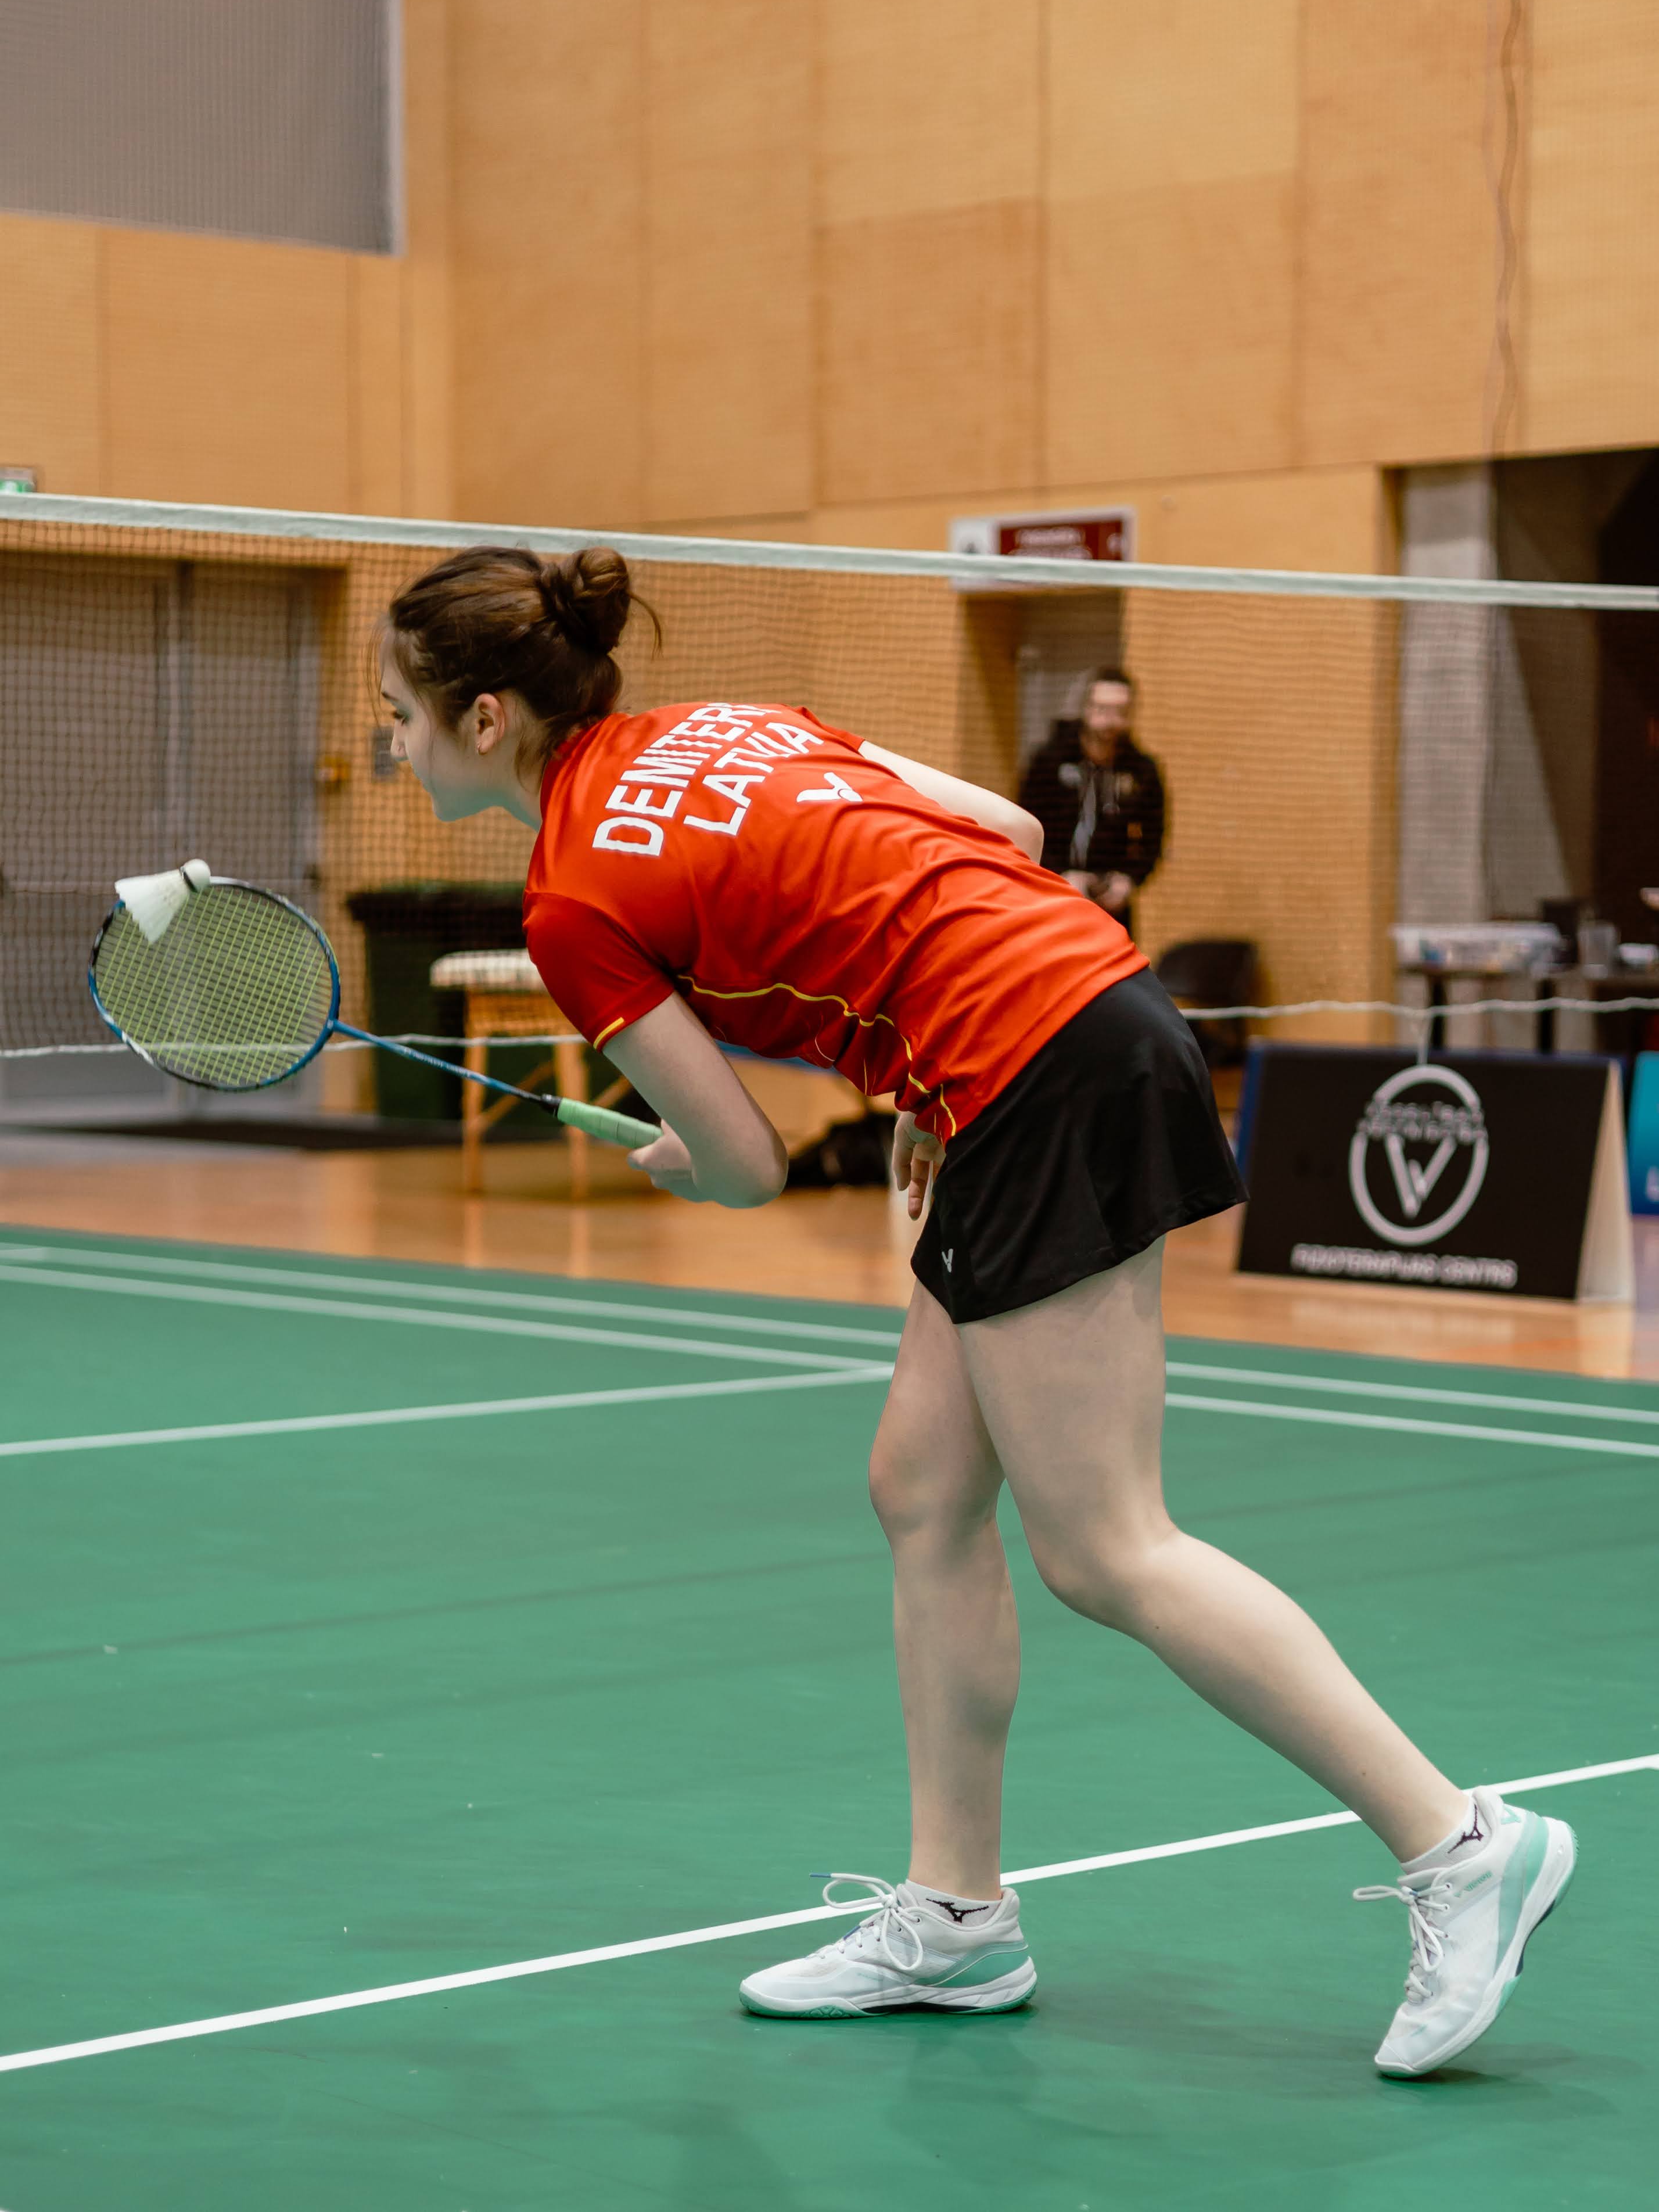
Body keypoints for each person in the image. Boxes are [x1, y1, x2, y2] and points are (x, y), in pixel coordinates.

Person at [377, 542, 1574, 2080]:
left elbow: (746, 1163)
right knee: (926, 1488)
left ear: (485, 720)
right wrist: (921, 1060)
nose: (391, 743)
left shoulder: (570, 901)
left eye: (399, 713)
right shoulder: (730, 724)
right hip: (1069, 1018)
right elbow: (1007, 832)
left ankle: (1460, 1842)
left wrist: (687, 1157)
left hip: (1031, 1066)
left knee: (1108, 1546)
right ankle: (958, 1919)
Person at [1019, 670, 1164, 933]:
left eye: (1120, 711)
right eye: (1102, 709)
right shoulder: (1050, 761)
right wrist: (1058, 873)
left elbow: (1154, 835)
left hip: (1111, 903)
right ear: (1087, 708)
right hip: (1052, 891)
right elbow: (1026, 823)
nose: (1109, 720)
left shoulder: (1142, 771)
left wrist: (1130, 879)